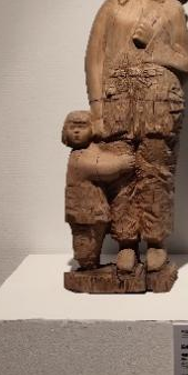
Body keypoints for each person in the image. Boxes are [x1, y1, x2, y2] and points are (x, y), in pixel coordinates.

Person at [84, 0, 188, 273]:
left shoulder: (170, 8)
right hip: (118, 100)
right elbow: (94, 60)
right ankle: (127, 242)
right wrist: (97, 109)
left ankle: (156, 240)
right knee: (122, 172)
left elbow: (187, 61)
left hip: (159, 102)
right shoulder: (112, 6)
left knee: (156, 170)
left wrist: (154, 50)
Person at [62, 110, 136, 270]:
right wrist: (121, 164)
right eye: (72, 127)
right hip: (83, 212)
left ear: (93, 128)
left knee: (94, 239)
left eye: (82, 126)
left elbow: (101, 158)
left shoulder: (90, 150)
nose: (76, 131)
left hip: (93, 209)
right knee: (86, 242)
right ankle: (88, 266)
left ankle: (91, 265)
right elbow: (99, 167)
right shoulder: (78, 157)